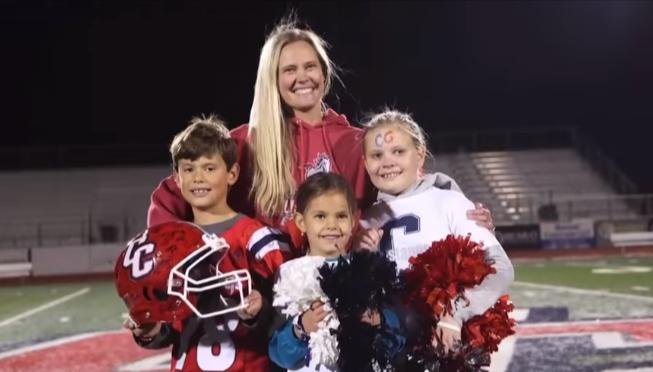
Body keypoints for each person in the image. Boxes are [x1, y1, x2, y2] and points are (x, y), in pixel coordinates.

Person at [147, 19, 494, 250]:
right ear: (274, 79)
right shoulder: (245, 142)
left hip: (343, 286)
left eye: (310, 66)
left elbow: (409, 188)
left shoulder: (358, 142)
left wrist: (463, 217)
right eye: (289, 70)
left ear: (324, 74)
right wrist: (169, 253)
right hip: (267, 297)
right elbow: (174, 194)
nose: (302, 77)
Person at [126, 115, 290, 372]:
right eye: (189, 169)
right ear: (177, 179)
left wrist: (259, 312)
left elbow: (287, 315)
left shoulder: (258, 239)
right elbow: (169, 328)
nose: (198, 177)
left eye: (209, 168)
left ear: (232, 173)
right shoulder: (169, 246)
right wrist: (150, 328)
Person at [356, 109, 514, 354]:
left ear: (419, 155)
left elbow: (501, 268)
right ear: (365, 163)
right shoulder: (364, 221)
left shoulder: (451, 201)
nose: (387, 162)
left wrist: (455, 314)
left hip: (444, 347)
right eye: (377, 155)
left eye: (398, 151)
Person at [268, 172, 403, 371]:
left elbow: (397, 339)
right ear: (301, 222)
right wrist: (301, 328)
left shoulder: (369, 269)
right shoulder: (288, 275)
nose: (331, 225)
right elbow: (278, 353)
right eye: (320, 216)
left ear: (354, 220)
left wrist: (379, 320)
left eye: (340, 216)